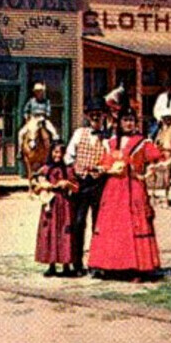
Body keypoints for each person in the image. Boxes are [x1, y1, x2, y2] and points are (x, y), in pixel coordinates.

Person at [87, 112, 165, 281]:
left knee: (133, 223)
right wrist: (105, 168)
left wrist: (150, 169)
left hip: (133, 187)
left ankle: (137, 267)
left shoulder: (142, 141)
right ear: (119, 122)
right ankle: (110, 266)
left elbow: (157, 158)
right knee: (113, 225)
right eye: (126, 120)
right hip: (113, 189)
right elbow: (104, 162)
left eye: (132, 120)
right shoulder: (111, 142)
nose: (129, 123)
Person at [62, 105, 112, 259]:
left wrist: (103, 169)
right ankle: (77, 261)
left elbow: (112, 159)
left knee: (99, 224)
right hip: (82, 183)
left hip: (99, 183)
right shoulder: (79, 133)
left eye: (98, 114)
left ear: (104, 116)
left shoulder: (108, 138)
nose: (95, 118)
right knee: (78, 222)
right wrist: (74, 173)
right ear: (87, 116)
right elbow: (68, 156)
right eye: (92, 115)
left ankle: (97, 261)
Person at [31, 155, 81, 277]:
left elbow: (76, 188)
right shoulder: (45, 170)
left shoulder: (68, 170)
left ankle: (66, 265)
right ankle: (51, 264)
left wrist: (68, 184)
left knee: (65, 232)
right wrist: (42, 186)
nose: (57, 155)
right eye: (55, 152)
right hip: (50, 204)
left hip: (64, 204)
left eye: (60, 152)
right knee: (50, 231)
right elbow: (35, 190)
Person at [18, 82, 61, 155]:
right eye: (37, 91)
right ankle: (20, 151)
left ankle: (52, 150)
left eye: (40, 91)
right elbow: (25, 110)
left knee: (54, 133)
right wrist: (26, 117)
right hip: (33, 119)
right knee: (21, 133)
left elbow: (48, 112)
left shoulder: (46, 101)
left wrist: (44, 115)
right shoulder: (31, 101)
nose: (38, 93)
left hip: (42, 119)